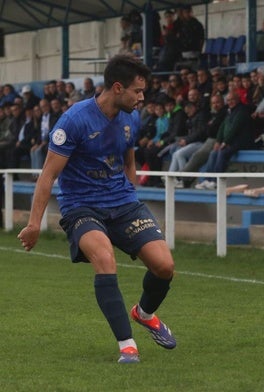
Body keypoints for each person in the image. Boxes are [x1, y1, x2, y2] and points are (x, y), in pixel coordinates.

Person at [17, 54, 177, 364]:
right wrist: (34, 224)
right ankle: (127, 344)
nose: (142, 98)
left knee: (164, 267)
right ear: (118, 88)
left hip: (123, 203)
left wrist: (131, 194)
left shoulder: (131, 116)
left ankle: (144, 314)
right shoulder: (74, 120)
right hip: (82, 206)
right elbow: (48, 175)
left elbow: (128, 159)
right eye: (138, 91)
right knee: (105, 258)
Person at [195, 91, 254, 190]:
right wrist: (218, 141)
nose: (230, 102)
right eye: (228, 100)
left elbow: (235, 129)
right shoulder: (229, 111)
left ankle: (216, 181)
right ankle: (207, 180)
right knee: (214, 153)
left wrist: (225, 142)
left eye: (232, 100)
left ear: (238, 100)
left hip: (242, 142)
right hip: (232, 141)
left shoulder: (241, 111)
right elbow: (222, 127)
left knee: (222, 152)